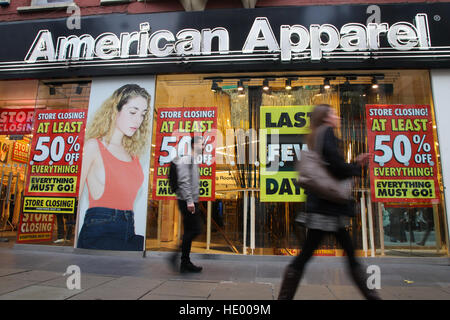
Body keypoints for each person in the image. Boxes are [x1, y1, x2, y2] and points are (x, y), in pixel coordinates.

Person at [278, 104, 380, 300]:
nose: (337, 116)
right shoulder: (327, 132)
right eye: (333, 113)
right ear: (325, 117)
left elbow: (328, 166)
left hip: (324, 207)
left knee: (314, 254)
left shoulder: (315, 135)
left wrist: (352, 166)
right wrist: (356, 165)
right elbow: (335, 166)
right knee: (344, 255)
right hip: (328, 208)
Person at [77, 84, 151, 251]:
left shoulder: (133, 154)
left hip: (128, 226)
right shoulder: (94, 147)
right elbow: (74, 195)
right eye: (133, 112)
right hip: (100, 228)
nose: (138, 120)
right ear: (115, 110)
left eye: (142, 115)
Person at [169, 135, 204, 273]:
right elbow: (184, 181)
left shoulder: (193, 160)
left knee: (191, 230)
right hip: (186, 201)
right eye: (201, 144)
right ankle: (178, 258)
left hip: (190, 201)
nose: (203, 147)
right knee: (194, 230)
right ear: (194, 145)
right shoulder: (186, 160)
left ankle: (185, 262)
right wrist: (190, 201)